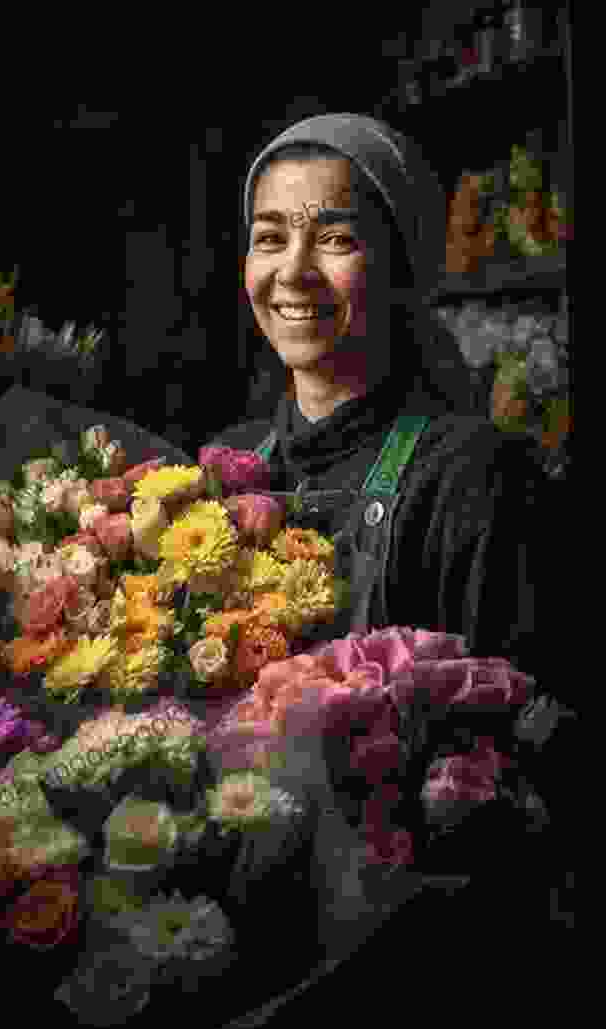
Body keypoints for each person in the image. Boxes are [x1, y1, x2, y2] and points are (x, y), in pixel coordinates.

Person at [204, 112, 572, 709]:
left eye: (336, 240)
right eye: (270, 238)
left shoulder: (473, 478)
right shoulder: (226, 470)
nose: (293, 272)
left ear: (406, 268)